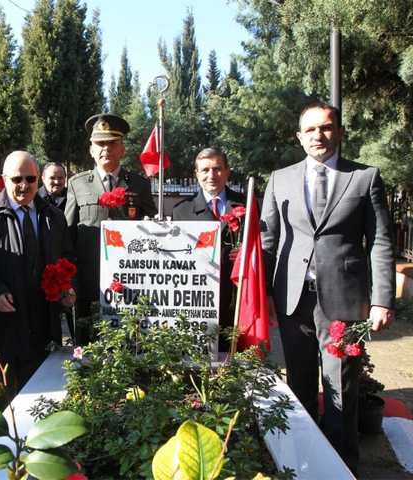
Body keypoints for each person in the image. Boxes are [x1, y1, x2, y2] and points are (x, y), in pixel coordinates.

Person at [260, 100, 395, 472]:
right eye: (310, 129)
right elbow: (269, 241)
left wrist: (382, 300)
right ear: (299, 137)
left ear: (338, 131)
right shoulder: (280, 179)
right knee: (299, 384)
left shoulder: (365, 177)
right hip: (292, 299)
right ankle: (301, 463)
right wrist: (263, 298)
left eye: (326, 127)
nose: (318, 135)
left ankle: (340, 468)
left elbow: (381, 241)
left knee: (341, 388)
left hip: (344, 302)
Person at [0, 151, 75, 395]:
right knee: (0, 396)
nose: (24, 185)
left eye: (30, 179)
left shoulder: (54, 217)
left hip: (44, 322)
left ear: (38, 179)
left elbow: (67, 259)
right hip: (3, 323)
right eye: (17, 179)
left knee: (42, 393)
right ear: (4, 179)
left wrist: (67, 287)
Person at [65, 113, 156, 320]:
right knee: (88, 340)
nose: (106, 148)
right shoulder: (77, 184)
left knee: (128, 342)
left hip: (129, 279)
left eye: (112, 143)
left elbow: (153, 230)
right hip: (89, 279)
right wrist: (71, 280)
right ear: (91, 150)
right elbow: (68, 236)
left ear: (122, 149)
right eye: (100, 143)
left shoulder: (139, 185)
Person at [172, 147, 245, 350]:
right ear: (196, 173)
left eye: (217, 169)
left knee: (234, 359)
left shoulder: (246, 205)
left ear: (228, 171)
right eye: (204, 170)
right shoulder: (182, 211)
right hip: (197, 299)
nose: (211, 175)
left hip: (235, 297)